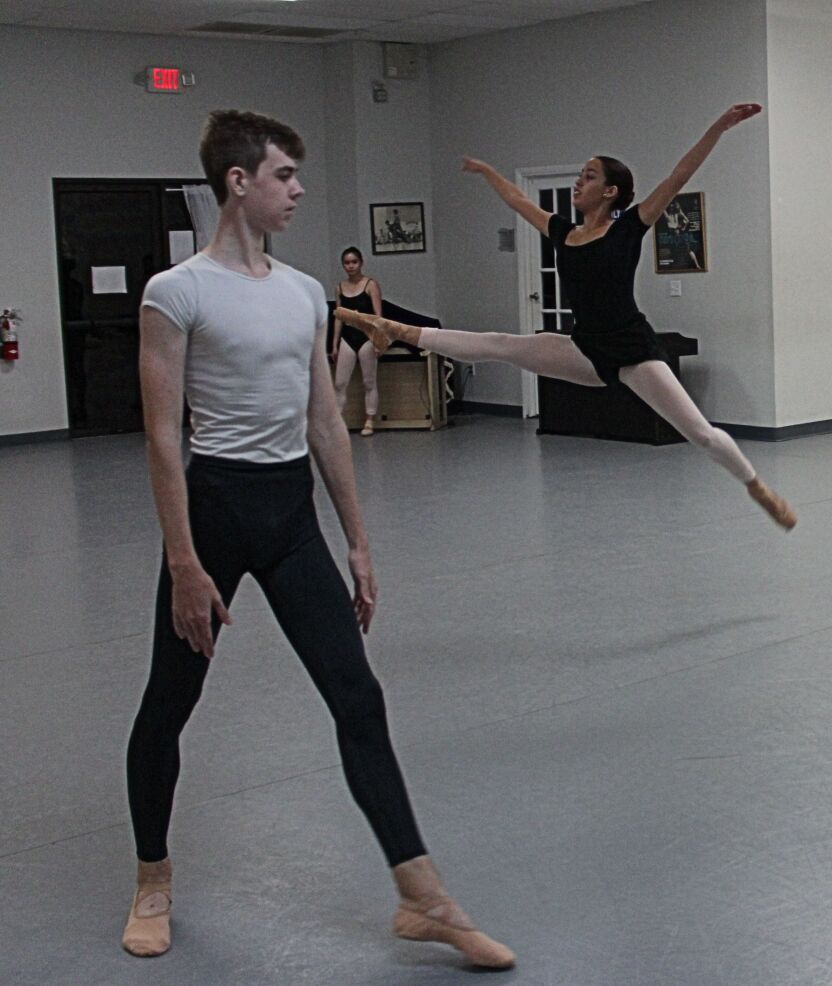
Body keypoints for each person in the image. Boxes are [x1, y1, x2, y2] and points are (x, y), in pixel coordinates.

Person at [121, 108, 515, 971]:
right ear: (239, 183)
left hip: (289, 514)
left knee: (357, 698)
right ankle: (153, 875)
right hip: (214, 511)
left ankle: (422, 896)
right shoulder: (174, 292)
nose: (298, 190)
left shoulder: (306, 295)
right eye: (284, 176)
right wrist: (185, 563)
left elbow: (325, 424)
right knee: (169, 703)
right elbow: (161, 436)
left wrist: (359, 543)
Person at [338, 103, 796, 531]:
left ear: (610, 191)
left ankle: (756, 486)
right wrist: (488, 172)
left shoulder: (630, 226)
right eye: (579, 175)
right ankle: (397, 329)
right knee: (501, 344)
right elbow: (518, 200)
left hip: (633, 350)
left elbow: (680, 174)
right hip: (584, 348)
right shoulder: (563, 231)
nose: (579, 182)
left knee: (700, 434)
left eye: (589, 176)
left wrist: (718, 127)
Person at [331, 247, 383, 436]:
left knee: (369, 381)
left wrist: (378, 341)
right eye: (347, 263)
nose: (351, 266)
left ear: (360, 263)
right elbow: (338, 316)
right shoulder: (339, 287)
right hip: (348, 337)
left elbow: (378, 317)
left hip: (366, 337)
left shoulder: (370, 285)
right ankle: (337, 420)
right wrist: (334, 344)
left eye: (354, 262)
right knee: (339, 382)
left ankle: (369, 420)